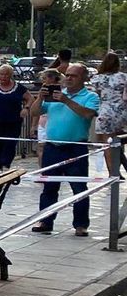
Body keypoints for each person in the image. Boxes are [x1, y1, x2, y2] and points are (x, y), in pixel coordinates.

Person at [28, 63, 99, 236]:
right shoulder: (56, 94)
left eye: (73, 75)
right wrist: (40, 98)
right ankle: (45, 220)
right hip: (53, 147)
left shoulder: (90, 96)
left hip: (76, 147)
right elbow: (34, 112)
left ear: (83, 78)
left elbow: (88, 114)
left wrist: (66, 101)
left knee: (79, 188)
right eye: (67, 75)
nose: (68, 78)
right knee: (49, 188)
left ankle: (81, 225)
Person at [0, 63, 30, 171]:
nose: (4, 77)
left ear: (11, 75)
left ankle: (6, 164)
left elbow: (30, 98)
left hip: (14, 120)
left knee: (10, 143)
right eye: (1, 74)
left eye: (6, 75)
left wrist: (26, 108)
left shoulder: (19, 88)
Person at [91, 52, 127, 178]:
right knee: (118, 141)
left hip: (105, 111)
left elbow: (95, 95)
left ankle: (113, 172)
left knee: (107, 143)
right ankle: (121, 164)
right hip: (121, 111)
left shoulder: (97, 79)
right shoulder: (123, 77)